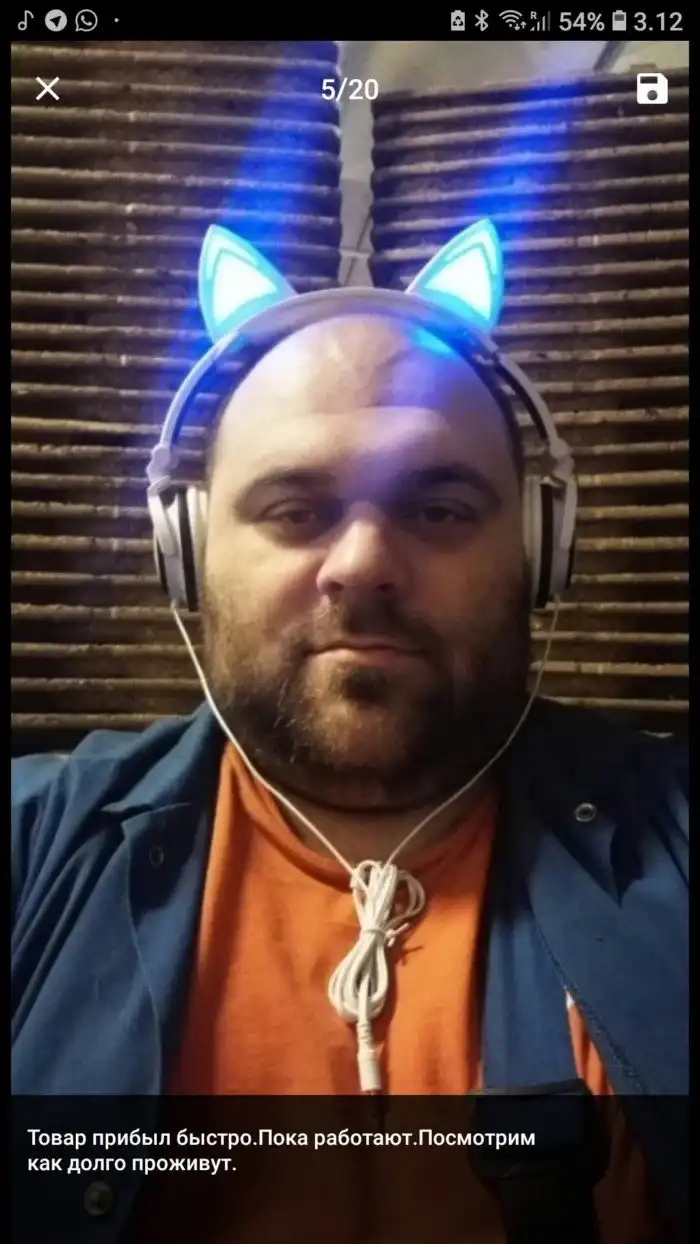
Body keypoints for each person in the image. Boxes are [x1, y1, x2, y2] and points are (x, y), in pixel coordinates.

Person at [12, 223, 688, 1244]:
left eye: (440, 508)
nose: (363, 563)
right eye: (295, 509)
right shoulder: (32, 849)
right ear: (186, 555)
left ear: (540, 548)